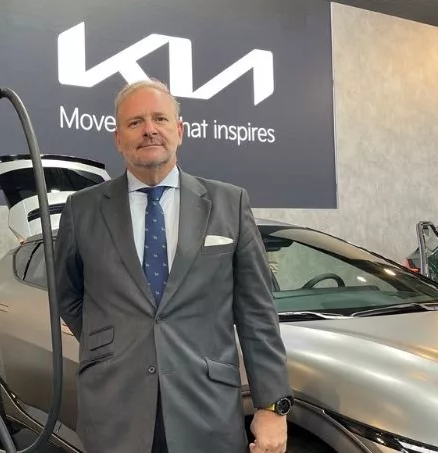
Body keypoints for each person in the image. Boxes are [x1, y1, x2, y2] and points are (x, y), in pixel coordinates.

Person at [54, 79, 292, 453]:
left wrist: (272, 405)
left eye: (160, 119)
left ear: (179, 131)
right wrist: (113, 343)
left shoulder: (229, 204)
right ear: (118, 138)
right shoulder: (82, 209)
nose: (149, 130)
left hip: (207, 409)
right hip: (114, 408)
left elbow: (257, 313)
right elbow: (67, 295)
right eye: (135, 122)